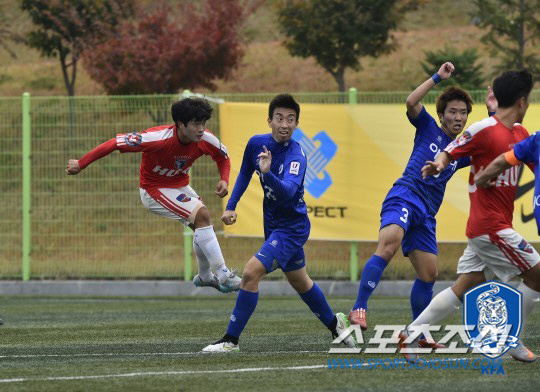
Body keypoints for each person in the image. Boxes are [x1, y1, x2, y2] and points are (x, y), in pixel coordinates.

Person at [400, 69, 540, 363]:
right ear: (522, 102)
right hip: (491, 228)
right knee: (537, 277)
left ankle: (412, 334)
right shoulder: (482, 130)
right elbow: (450, 151)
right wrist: (438, 165)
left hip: (488, 229)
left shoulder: (521, 135)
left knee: (464, 285)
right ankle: (511, 340)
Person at [201, 94, 355, 352]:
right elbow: (244, 175)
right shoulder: (256, 144)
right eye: (280, 118)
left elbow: (286, 192)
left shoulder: (297, 155)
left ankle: (231, 340)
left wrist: (268, 173)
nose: (285, 124)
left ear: (297, 124)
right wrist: (230, 206)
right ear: (270, 120)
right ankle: (336, 324)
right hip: (273, 224)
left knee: (250, 273)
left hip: (292, 228)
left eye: (291, 119)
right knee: (300, 281)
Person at [348, 62, 486, 350]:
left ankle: (419, 334)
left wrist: (495, 112)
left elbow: (494, 148)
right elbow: (411, 101)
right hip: (405, 195)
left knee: (429, 274)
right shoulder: (427, 127)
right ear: (441, 115)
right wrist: (438, 77)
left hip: (426, 214)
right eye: (453, 112)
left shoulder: (459, 153)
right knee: (390, 242)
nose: (458, 117)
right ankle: (358, 307)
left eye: (463, 113)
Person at [66, 97, 241, 293]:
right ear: (181, 125)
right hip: (153, 189)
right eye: (196, 124)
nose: (201, 129)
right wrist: (81, 163)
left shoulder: (205, 139)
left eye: (203, 123)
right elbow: (115, 143)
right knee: (203, 215)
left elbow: (223, 157)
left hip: (179, 186)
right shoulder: (157, 138)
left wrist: (224, 179)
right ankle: (224, 274)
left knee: (201, 225)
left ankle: (205, 276)